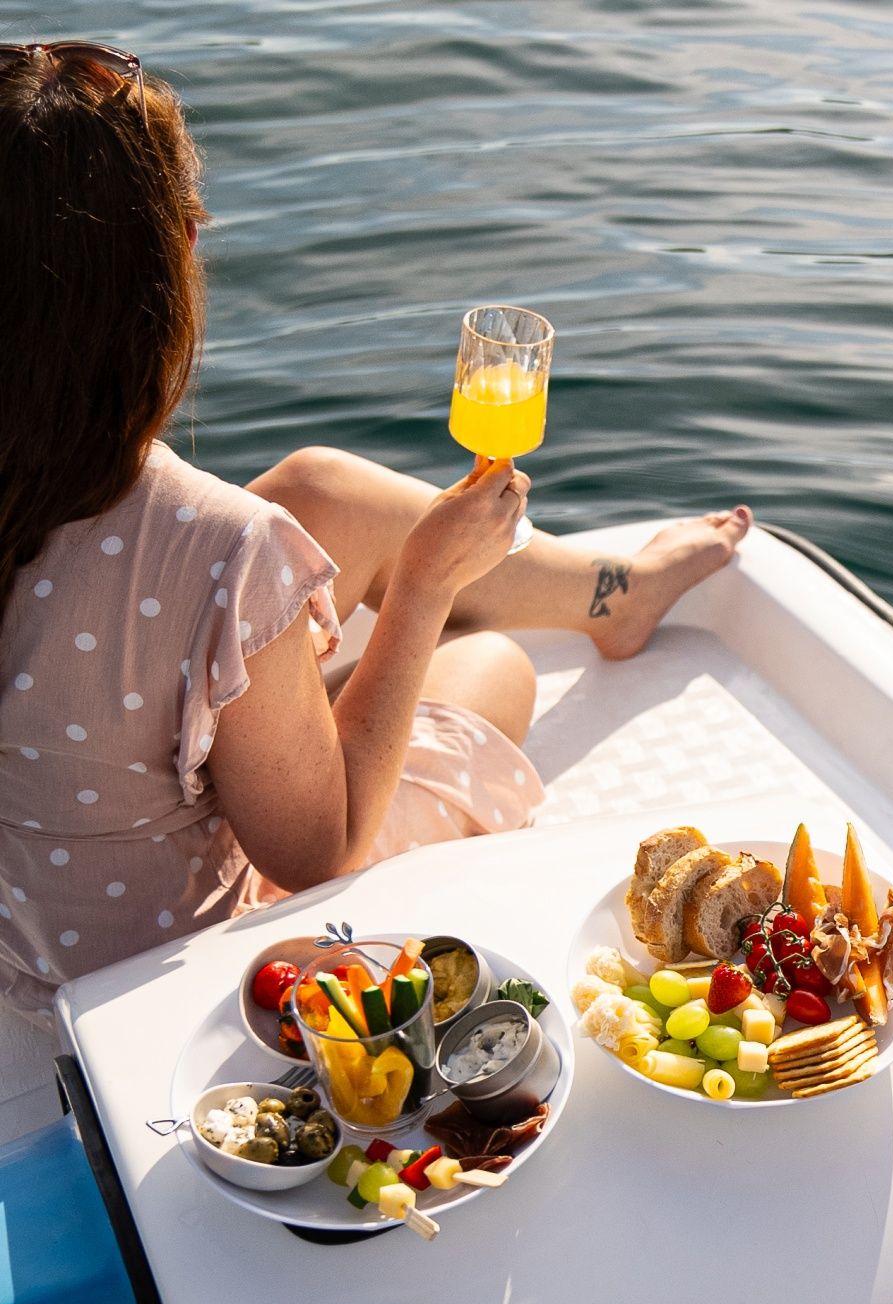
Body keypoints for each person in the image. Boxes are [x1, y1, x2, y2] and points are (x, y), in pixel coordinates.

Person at [0, 43, 752, 1037]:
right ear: (175, 257)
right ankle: (574, 603)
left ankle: (611, 593)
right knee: (489, 664)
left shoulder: (188, 534)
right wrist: (426, 588)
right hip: (164, 966)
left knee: (327, 489)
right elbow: (319, 853)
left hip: (34, 903)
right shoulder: (223, 546)